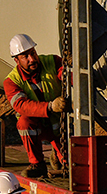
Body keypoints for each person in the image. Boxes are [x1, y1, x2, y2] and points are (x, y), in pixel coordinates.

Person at [4, 33, 69, 178]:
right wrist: (50, 106)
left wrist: (70, 74)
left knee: (70, 165)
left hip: (58, 125)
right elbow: (21, 105)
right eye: (25, 56)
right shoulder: (11, 81)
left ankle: (59, 155)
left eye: (33, 53)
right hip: (37, 124)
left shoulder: (52, 61)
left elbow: (65, 75)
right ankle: (37, 164)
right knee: (24, 122)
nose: (32, 59)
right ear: (16, 60)